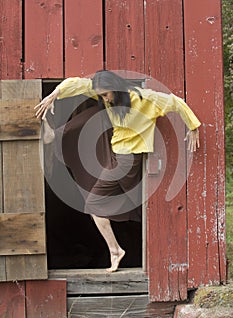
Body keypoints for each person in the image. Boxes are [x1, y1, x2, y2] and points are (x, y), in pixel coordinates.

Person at [35, 70, 201, 272]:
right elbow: (77, 83)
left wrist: (193, 126)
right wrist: (55, 94)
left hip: (127, 160)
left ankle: (116, 251)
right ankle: (58, 136)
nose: (105, 98)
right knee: (92, 116)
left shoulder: (144, 98)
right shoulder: (106, 98)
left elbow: (175, 102)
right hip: (115, 150)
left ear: (115, 88)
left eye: (106, 94)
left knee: (94, 204)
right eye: (101, 95)